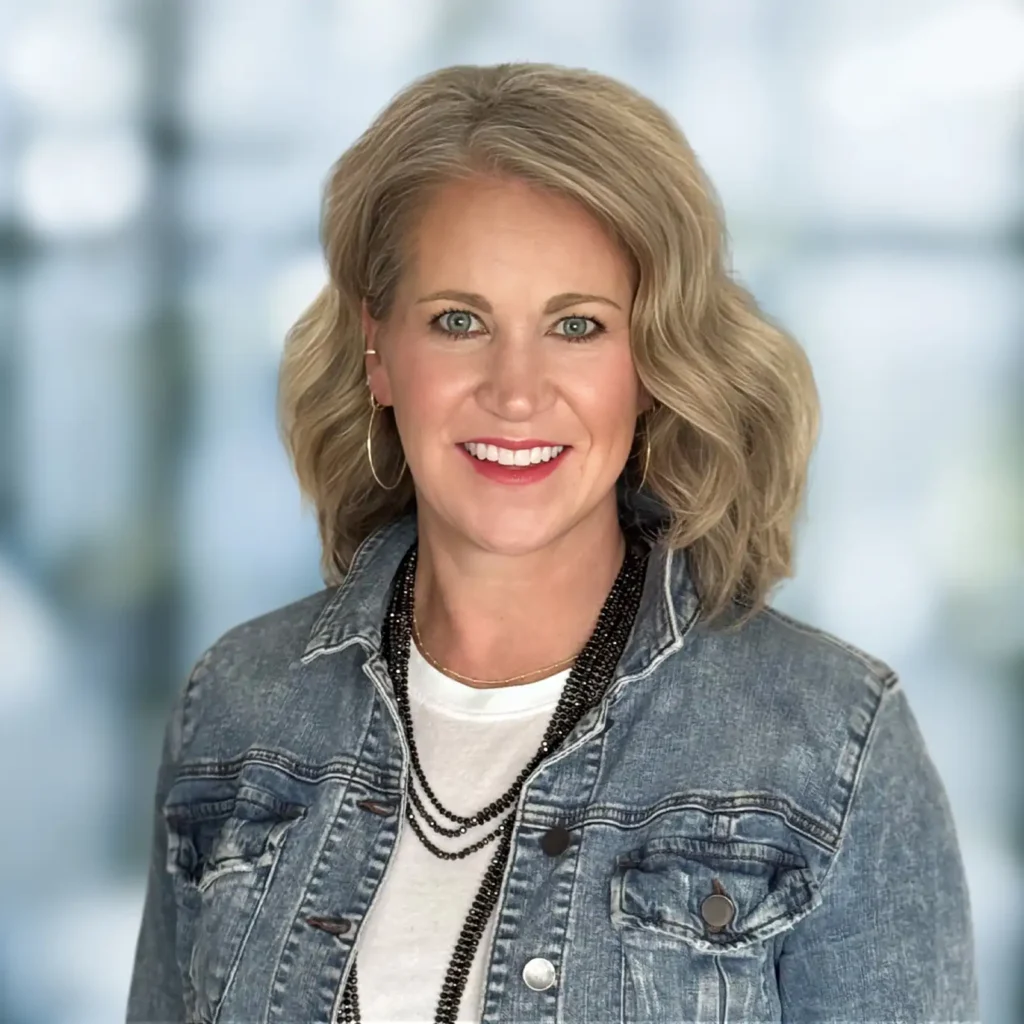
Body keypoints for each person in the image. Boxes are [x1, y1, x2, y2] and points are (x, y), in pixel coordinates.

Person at [125, 61, 979, 1024]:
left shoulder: (831, 744)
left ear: (653, 360)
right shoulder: (236, 710)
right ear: (379, 350)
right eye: (459, 322)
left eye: (576, 326)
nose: (516, 390)